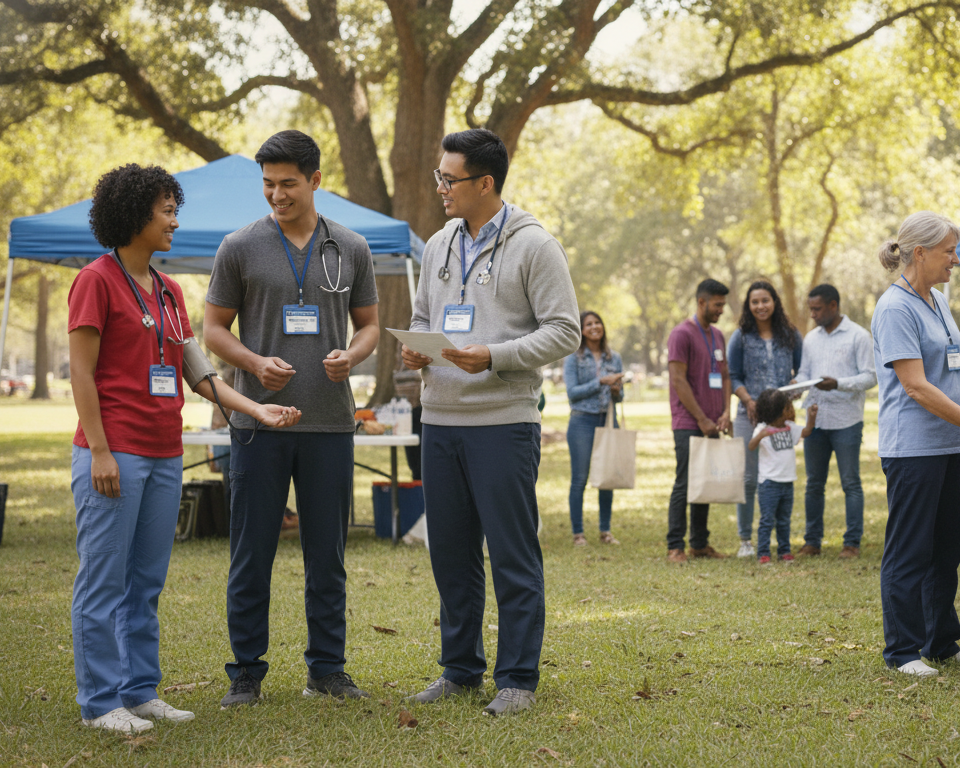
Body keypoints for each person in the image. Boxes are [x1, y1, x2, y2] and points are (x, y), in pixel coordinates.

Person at [69, 164, 300, 733]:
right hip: (114, 453)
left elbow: (199, 373)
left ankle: (140, 690)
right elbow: (80, 373)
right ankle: (100, 703)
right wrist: (99, 450)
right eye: (165, 211)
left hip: (164, 453)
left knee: (146, 583)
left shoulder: (170, 291)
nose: (175, 221)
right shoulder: (95, 281)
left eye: (175, 209)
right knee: (105, 582)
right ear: (133, 216)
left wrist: (254, 408)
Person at [401, 128, 580, 716]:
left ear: (485, 183)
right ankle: (460, 671)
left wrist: (496, 356)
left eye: (449, 179)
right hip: (441, 421)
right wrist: (415, 349)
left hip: (503, 422)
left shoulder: (535, 245)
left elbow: (565, 330)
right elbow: (424, 315)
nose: (441, 188)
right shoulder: (437, 245)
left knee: (511, 554)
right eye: (439, 177)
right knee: (450, 554)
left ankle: (518, 679)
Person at [204, 130, 381, 707]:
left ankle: (327, 669)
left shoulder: (351, 246)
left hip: (330, 422)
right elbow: (212, 331)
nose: (276, 195)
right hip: (258, 425)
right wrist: (255, 363)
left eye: (287, 184)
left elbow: (370, 326)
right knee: (251, 553)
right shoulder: (239, 245)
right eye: (268, 184)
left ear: (315, 181)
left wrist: (351, 356)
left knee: (326, 556)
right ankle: (246, 674)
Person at [871, 211, 960, 678]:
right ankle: (902, 652)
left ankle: (941, 643)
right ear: (921, 252)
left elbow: (947, 377)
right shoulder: (894, 308)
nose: (956, 259)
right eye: (949, 251)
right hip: (912, 448)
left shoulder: (939, 301)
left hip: (949, 445)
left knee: (947, 548)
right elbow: (915, 386)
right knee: (910, 550)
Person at [794, 284, 877, 558]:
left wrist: (838, 384)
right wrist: (794, 385)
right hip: (815, 421)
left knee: (850, 483)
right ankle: (812, 542)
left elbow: (870, 376)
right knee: (814, 484)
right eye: (811, 309)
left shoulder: (858, 336)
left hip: (847, 422)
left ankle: (851, 543)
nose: (813, 314)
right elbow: (805, 373)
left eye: (817, 309)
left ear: (833, 305)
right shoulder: (811, 338)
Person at [727, 280, 803, 558]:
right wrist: (748, 400)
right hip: (749, 415)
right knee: (748, 477)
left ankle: (781, 542)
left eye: (765, 300)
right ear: (749, 306)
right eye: (754, 302)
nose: (760, 306)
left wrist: (796, 384)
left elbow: (801, 369)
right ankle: (746, 540)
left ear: (775, 302)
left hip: (782, 418)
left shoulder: (791, 334)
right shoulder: (741, 337)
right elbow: (733, 375)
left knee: (780, 474)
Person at [666, 279, 734, 563]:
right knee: (685, 482)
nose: (721, 310)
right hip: (688, 422)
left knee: (705, 481)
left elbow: (726, 375)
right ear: (702, 302)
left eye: (723, 305)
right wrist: (702, 419)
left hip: (713, 422)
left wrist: (726, 412)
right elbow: (678, 380)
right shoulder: (681, 334)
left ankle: (699, 543)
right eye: (717, 304)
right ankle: (675, 546)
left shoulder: (717, 335)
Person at [564, 310, 624, 546]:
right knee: (580, 478)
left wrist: (617, 390)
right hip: (582, 421)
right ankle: (578, 533)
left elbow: (619, 397)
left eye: (597, 322)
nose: (594, 327)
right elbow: (572, 393)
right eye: (588, 324)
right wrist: (600, 382)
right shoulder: (573, 358)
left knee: (607, 477)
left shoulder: (614, 357)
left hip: (608, 419)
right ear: (581, 329)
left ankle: (605, 531)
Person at [747, 389, 817, 564]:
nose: (790, 410)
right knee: (767, 520)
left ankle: (784, 551)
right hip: (769, 483)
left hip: (787, 482)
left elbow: (806, 432)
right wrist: (762, 435)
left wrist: (812, 417)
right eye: (787, 407)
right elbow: (751, 446)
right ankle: (763, 553)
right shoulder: (762, 429)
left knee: (784, 520)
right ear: (777, 410)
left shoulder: (790, 428)